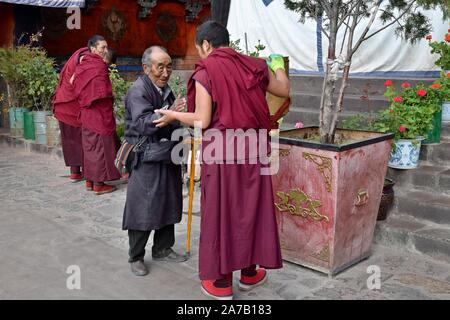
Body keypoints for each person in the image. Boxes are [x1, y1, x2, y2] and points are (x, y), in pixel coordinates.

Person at [154, 21, 290, 300]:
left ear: (206, 45)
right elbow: (284, 91)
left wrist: (173, 115)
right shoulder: (257, 65)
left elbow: (202, 119)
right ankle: (250, 274)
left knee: (222, 214)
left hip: (222, 152)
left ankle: (220, 282)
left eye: (199, 49)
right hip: (253, 151)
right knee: (251, 210)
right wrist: (277, 66)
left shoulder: (208, 70)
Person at [122, 46, 187, 277]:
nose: (166, 72)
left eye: (169, 66)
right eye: (160, 66)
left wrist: (175, 115)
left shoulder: (164, 89)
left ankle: (162, 248)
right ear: (146, 68)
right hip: (146, 157)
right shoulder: (138, 91)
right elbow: (141, 122)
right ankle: (136, 256)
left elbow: (171, 119)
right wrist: (171, 113)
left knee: (169, 201)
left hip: (166, 154)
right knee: (143, 206)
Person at [73, 35, 121, 195]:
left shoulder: (82, 65)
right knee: (99, 146)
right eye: (103, 48)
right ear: (93, 49)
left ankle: (90, 180)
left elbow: (75, 85)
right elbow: (103, 92)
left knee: (90, 146)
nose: (105, 51)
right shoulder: (98, 65)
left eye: (106, 47)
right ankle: (99, 184)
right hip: (98, 112)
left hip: (87, 112)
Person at [53, 47, 89, 182]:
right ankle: (87, 172)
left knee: (70, 141)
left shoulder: (77, 55)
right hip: (71, 106)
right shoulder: (85, 56)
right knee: (84, 139)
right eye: (102, 47)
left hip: (62, 103)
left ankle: (75, 172)